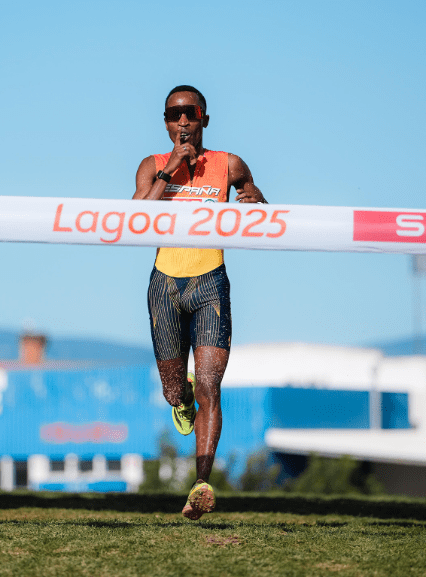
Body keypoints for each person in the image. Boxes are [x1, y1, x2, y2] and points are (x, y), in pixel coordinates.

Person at [133, 85, 267, 519]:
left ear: (204, 118)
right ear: (166, 123)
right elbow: (135, 219)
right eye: (173, 115)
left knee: (211, 385)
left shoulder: (229, 164)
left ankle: (201, 484)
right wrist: (170, 170)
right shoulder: (152, 165)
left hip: (210, 282)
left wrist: (257, 202)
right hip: (165, 285)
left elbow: (258, 203)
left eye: (190, 113)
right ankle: (181, 397)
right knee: (176, 392)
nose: (183, 121)